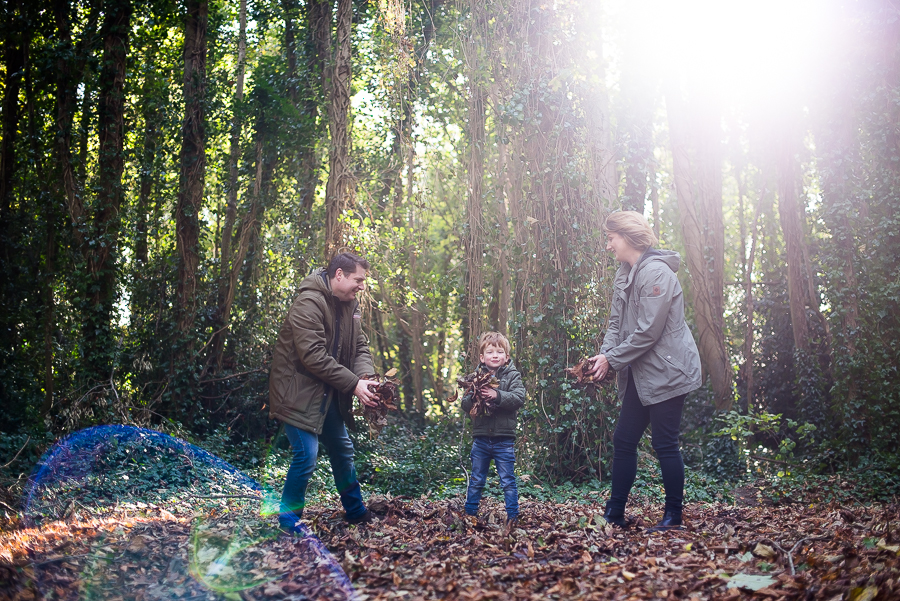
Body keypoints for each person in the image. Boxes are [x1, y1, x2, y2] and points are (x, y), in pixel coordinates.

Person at [587, 211, 702, 532]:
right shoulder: (625, 272)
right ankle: (614, 514)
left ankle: (673, 517)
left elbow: (648, 331)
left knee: (665, 443)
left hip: (669, 370)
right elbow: (615, 324)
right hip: (639, 371)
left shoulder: (657, 274)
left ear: (628, 236)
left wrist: (612, 360)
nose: (608, 245)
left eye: (611, 238)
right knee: (624, 440)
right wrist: (604, 355)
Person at [268, 252, 381, 531]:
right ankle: (288, 523)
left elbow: (360, 345)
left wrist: (364, 375)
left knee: (342, 449)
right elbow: (314, 356)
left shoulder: (349, 304)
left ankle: (356, 513)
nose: (361, 286)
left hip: (327, 392)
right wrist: (354, 384)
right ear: (339, 275)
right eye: (358, 279)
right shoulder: (308, 302)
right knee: (306, 454)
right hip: (296, 393)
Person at [461, 332, 526, 527]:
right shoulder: (475, 377)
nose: (495, 355)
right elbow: (465, 404)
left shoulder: (513, 376)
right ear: (482, 357)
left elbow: (518, 398)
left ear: (506, 357)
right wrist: (475, 397)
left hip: (503, 440)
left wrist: (496, 395)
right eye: (490, 352)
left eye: (500, 352)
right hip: (481, 439)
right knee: (477, 479)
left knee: (507, 481)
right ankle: (470, 514)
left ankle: (513, 517)